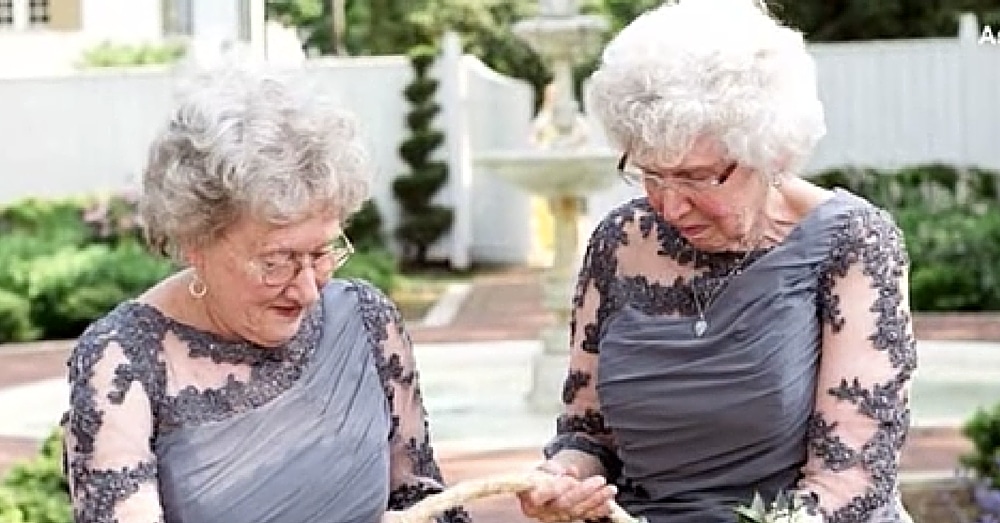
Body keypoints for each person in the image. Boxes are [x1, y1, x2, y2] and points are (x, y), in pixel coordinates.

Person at [518, 1, 918, 522]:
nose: (669, 204)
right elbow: (587, 435)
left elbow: (851, 482)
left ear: (769, 151)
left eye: (696, 177)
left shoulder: (852, 243)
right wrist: (564, 483)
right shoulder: (620, 241)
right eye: (650, 175)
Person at [61, 64, 470, 523]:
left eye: (321, 253)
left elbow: (418, 496)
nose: (308, 289)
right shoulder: (122, 362)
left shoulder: (366, 319)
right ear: (196, 242)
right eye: (276, 262)